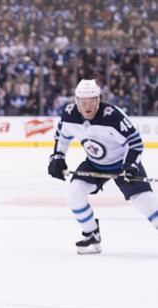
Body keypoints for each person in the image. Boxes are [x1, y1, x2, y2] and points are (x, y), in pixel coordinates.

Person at [48, 79, 158, 254]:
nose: (87, 106)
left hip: (122, 163)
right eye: (83, 102)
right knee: (74, 193)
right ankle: (91, 235)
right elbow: (61, 137)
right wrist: (57, 158)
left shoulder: (113, 116)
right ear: (76, 101)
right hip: (94, 164)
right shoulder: (69, 114)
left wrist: (130, 166)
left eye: (92, 100)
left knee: (146, 203)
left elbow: (135, 143)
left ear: (99, 99)